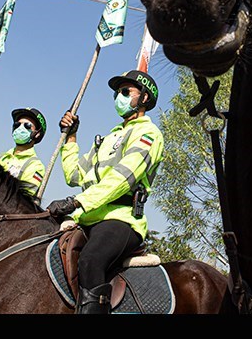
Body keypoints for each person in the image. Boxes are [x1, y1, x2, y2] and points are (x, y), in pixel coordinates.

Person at [46, 69, 164, 314]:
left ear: (144, 98)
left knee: (91, 259)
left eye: (125, 91)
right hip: (87, 217)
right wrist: (71, 138)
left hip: (121, 218)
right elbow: (74, 175)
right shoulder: (109, 138)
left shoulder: (148, 134)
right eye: (116, 93)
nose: (118, 97)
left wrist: (77, 202)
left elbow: (123, 178)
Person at [0, 107, 47, 201]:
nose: (20, 128)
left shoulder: (36, 166)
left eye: (27, 126)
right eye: (17, 124)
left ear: (37, 133)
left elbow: (21, 201)